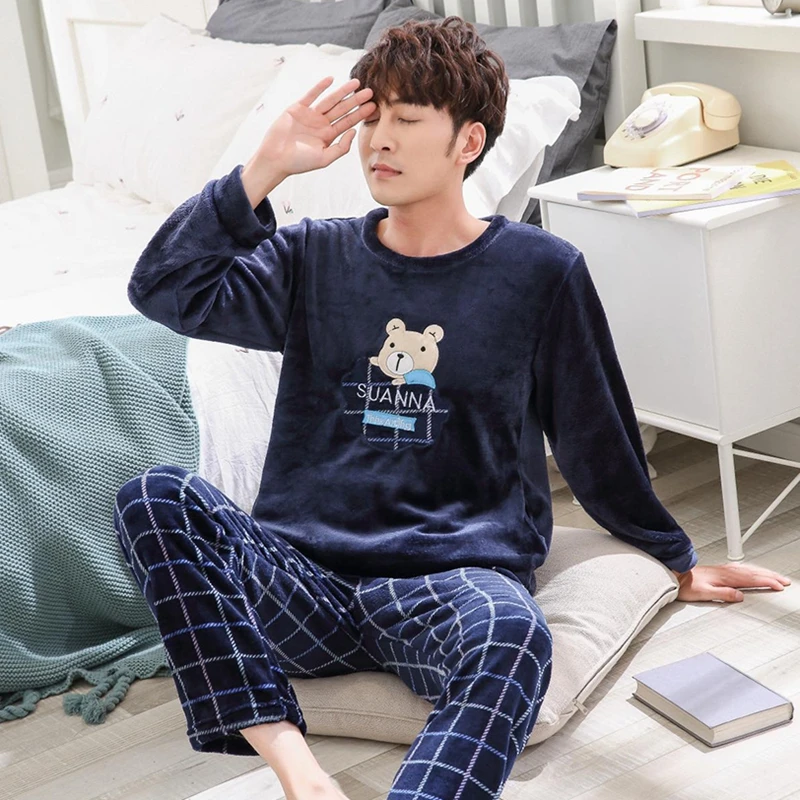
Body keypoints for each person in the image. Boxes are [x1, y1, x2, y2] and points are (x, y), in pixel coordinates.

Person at [114, 17, 791, 800]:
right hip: (303, 582)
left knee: (516, 636)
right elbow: (163, 287)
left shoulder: (540, 271)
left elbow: (593, 427)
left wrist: (674, 559)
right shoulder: (312, 255)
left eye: (406, 120)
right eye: (373, 119)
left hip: (449, 587)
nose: (379, 141)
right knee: (153, 496)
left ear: (469, 141)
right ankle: (295, 766)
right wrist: (262, 169)